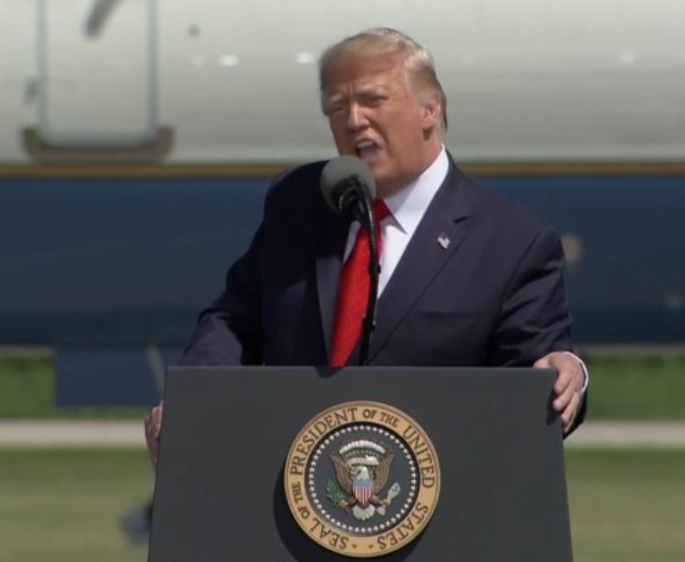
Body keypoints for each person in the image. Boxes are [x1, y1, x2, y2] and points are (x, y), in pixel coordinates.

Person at [143, 27, 588, 467]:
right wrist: (194, 398)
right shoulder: (300, 201)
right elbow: (236, 321)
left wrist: (566, 376)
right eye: (337, 107)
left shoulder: (512, 241)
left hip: (435, 504)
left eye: (373, 100)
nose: (353, 120)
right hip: (290, 492)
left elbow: (537, 371)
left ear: (430, 109)